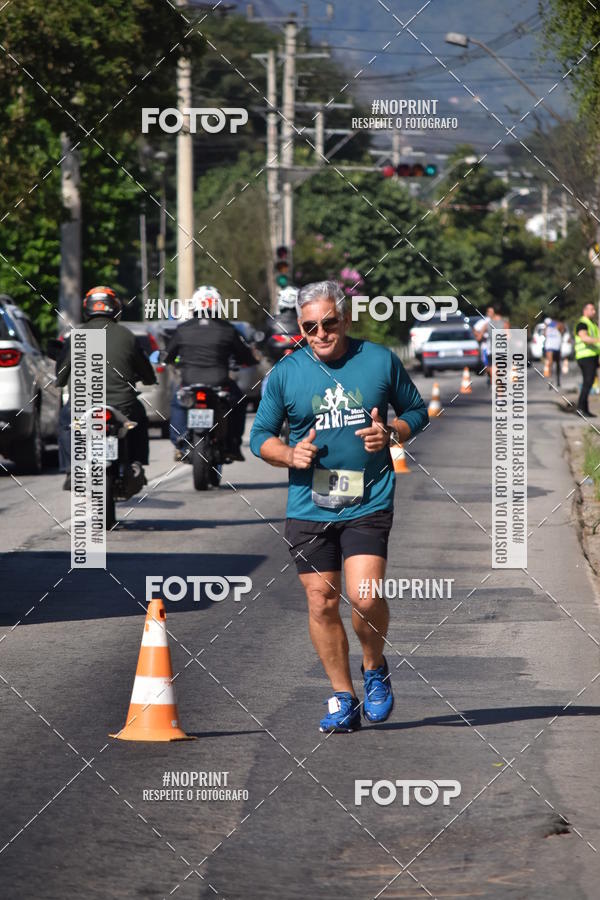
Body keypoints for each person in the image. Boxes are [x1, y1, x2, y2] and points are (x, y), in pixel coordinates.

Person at [250, 280, 428, 733]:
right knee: (321, 601)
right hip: (309, 505)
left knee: (364, 598)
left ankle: (374, 666)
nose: (321, 333)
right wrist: (289, 454)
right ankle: (343, 698)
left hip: (368, 497)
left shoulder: (379, 360)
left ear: (345, 319)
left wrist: (393, 433)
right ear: (301, 329)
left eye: (329, 323)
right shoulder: (287, 373)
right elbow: (260, 437)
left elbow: (416, 411)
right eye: (310, 327)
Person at [55, 286, 156, 490]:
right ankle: (137, 463)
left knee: (66, 422)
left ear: (87, 309)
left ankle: (71, 469)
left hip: (82, 408)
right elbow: (146, 371)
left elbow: (60, 378)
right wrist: (147, 379)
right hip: (123, 406)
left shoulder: (76, 336)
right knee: (140, 418)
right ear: (116, 308)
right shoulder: (127, 336)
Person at [165, 284, 256, 461]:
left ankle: (179, 442)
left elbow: (168, 354)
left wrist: (171, 361)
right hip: (219, 382)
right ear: (217, 305)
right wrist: (250, 360)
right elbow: (244, 355)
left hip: (189, 381)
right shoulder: (228, 329)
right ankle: (234, 444)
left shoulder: (183, 329)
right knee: (238, 403)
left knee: (177, 402)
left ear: (195, 304)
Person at [574, 302, 600, 417]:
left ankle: (585, 409)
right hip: (585, 357)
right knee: (588, 382)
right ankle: (580, 408)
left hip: (592, 356)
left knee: (588, 383)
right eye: (592, 309)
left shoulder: (592, 324)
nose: (594, 312)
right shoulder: (582, 323)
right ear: (585, 311)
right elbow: (584, 338)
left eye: (594, 310)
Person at [543, 316, 564, 387]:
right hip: (549, 346)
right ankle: (550, 380)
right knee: (550, 363)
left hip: (556, 346)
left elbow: (562, 331)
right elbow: (545, 334)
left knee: (558, 363)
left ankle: (558, 380)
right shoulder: (547, 327)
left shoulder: (558, 325)